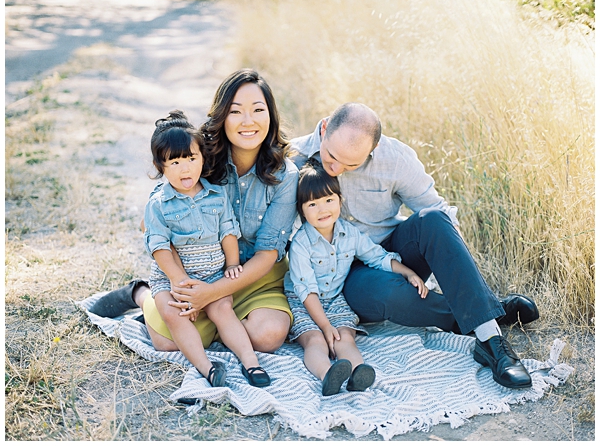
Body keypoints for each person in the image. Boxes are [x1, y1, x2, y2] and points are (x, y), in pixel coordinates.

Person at [289, 102, 540, 390]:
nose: (335, 170)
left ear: (373, 149)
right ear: (323, 128)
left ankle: (491, 341)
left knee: (434, 219)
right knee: (386, 294)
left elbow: (440, 214)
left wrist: (452, 268)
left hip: (390, 250)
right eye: (331, 157)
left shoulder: (395, 159)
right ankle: (484, 309)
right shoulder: (292, 159)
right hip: (344, 275)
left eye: (351, 165)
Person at [89, 69, 299, 388]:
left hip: (255, 276)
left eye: (258, 110)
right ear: (221, 116)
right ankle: (141, 292)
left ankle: (222, 319)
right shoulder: (200, 157)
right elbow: (155, 223)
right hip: (197, 272)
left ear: (270, 115)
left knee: (268, 336)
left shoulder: (284, 175)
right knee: (166, 341)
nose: (248, 121)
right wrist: (186, 285)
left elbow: (268, 254)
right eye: (235, 111)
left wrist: (212, 295)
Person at [142, 109, 271, 387]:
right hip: (174, 278)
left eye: (191, 158)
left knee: (222, 308)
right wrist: (179, 282)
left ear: (202, 157)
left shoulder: (216, 194)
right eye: (174, 162)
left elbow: (228, 232)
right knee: (172, 313)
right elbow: (159, 247)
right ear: (160, 166)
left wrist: (232, 264)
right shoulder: (159, 204)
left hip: (213, 273)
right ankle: (207, 367)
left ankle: (251, 363)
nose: (185, 168)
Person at [285, 159, 429, 396]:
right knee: (316, 341)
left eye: (329, 200)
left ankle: (356, 373)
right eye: (313, 204)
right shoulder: (301, 243)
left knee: (345, 338)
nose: (323, 209)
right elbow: (306, 290)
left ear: (340, 200)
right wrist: (324, 325)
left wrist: (408, 272)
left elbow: (376, 256)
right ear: (301, 210)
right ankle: (327, 375)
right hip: (304, 302)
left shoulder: (349, 233)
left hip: (334, 299)